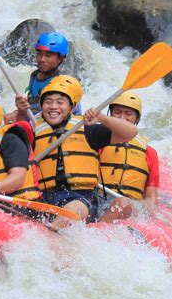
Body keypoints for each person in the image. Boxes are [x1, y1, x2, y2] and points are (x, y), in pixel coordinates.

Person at [15, 75, 138, 228]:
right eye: (48, 102)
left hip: (80, 198)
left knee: (72, 210)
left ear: (71, 107)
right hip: (43, 197)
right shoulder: (33, 132)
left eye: (60, 102)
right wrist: (21, 112)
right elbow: (12, 143)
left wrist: (100, 117)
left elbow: (131, 132)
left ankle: (52, 236)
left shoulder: (87, 130)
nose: (53, 106)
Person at [98, 92, 159, 223]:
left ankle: (100, 227)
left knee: (122, 202)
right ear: (110, 114)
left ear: (137, 118)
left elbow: (151, 192)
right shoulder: (98, 141)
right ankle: (99, 228)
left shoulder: (150, 152)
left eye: (128, 114)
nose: (122, 117)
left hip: (130, 204)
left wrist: (150, 209)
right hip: (99, 197)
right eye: (117, 112)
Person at [4, 32, 81, 124]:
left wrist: (20, 115)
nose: (42, 59)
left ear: (60, 59)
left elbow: (56, 112)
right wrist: (21, 107)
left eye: (48, 56)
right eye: (39, 54)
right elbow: (32, 101)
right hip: (34, 115)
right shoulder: (34, 75)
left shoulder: (62, 83)